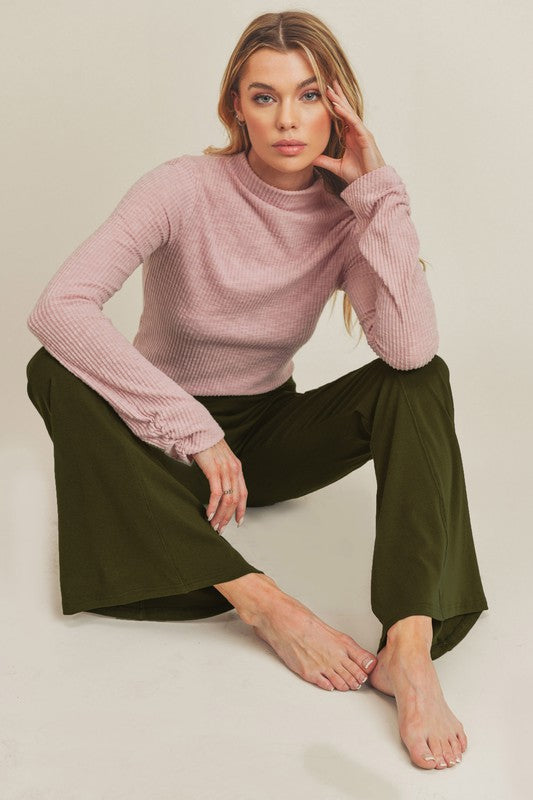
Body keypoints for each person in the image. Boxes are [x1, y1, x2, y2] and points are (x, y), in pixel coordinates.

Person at [25, 10, 488, 772]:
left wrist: (379, 194)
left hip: (264, 441)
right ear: (235, 107)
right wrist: (194, 431)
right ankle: (260, 601)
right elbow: (59, 307)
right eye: (264, 97)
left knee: (419, 382)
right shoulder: (181, 187)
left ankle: (409, 644)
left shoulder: (346, 216)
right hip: (158, 440)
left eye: (308, 95)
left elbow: (409, 351)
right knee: (51, 368)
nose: (287, 119)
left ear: (337, 107)